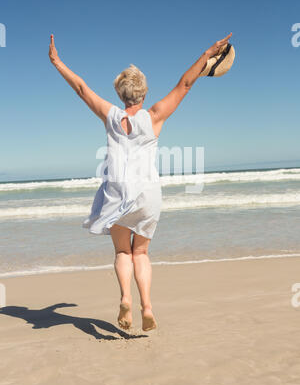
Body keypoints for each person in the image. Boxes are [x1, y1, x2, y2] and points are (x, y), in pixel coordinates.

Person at [48, 32, 232, 331]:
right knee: (141, 252)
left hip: (118, 192)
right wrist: (207, 53)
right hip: (147, 194)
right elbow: (185, 84)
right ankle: (147, 305)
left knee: (122, 252)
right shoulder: (155, 116)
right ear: (144, 94)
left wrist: (58, 62)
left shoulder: (110, 116)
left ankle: (125, 300)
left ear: (121, 95)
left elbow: (82, 89)